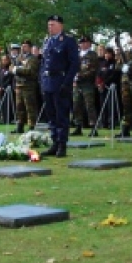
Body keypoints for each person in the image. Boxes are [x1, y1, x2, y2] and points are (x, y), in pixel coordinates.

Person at [39, 15, 79, 157]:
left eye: (53, 25)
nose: (50, 27)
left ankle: (62, 144)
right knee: (51, 115)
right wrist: (41, 80)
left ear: (60, 26)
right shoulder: (47, 41)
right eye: (49, 25)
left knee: (61, 114)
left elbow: (74, 63)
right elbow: (43, 63)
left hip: (60, 80)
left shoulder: (68, 41)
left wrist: (67, 82)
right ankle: (55, 142)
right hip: (48, 81)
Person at [72, 35, 99, 137]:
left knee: (89, 106)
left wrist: (80, 75)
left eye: (85, 43)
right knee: (76, 105)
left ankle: (93, 127)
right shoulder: (77, 54)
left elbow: (93, 70)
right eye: (81, 43)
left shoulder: (92, 55)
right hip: (77, 84)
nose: (83, 44)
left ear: (89, 44)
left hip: (87, 83)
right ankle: (78, 126)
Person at [11, 40, 40, 134]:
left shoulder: (33, 59)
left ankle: (32, 127)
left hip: (28, 86)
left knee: (30, 107)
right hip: (19, 85)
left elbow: (30, 71)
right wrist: (15, 70)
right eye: (23, 46)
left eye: (26, 46)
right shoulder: (19, 58)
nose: (24, 48)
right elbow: (12, 68)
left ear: (30, 48)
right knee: (19, 107)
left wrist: (17, 70)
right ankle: (20, 126)